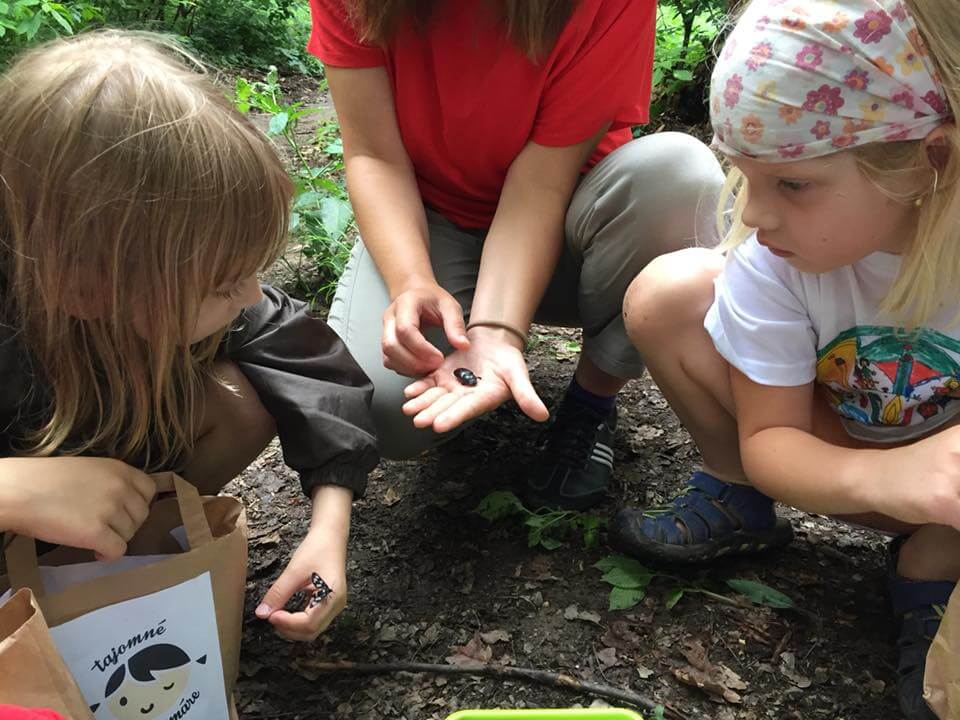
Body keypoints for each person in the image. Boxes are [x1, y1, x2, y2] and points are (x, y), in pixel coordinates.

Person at [609, 1, 960, 717]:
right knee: (669, 296)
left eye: (793, 184)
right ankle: (734, 493)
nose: (756, 215)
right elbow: (772, 438)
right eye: (745, 176)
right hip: (852, 461)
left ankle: (934, 563)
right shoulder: (775, 259)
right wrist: (886, 477)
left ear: (934, 159)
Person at [0, 31, 378, 642]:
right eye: (224, 284)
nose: (251, 295)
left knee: (240, 398)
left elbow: (298, 350)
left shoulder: (127, 270)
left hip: (75, 475)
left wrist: (329, 527)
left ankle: (105, 585)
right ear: (87, 289)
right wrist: (9, 490)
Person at [308, 0, 725, 510]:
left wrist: (496, 330)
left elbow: (540, 183)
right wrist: (411, 281)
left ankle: (592, 401)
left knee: (679, 174)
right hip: (433, 218)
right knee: (381, 410)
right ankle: (465, 358)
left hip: (574, 220)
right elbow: (374, 154)